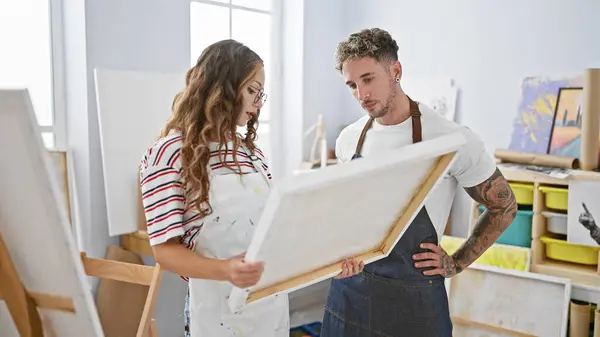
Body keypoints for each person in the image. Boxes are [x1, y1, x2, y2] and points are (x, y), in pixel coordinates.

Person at [138, 39, 362, 337]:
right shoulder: (168, 154)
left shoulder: (252, 155)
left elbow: (275, 231)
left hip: (270, 309)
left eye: (261, 93)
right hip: (216, 314)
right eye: (252, 90)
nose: (258, 103)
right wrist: (225, 270)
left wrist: (330, 259)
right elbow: (165, 251)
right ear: (223, 88)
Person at [320, 28, 518, 336]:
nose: (361, 95)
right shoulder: (349, 140)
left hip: (414, 303)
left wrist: (456, 262)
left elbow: (504, 207)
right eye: (352, 85)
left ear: (395, 70)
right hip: (351, 295)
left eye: (368, 79)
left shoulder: (450, 138)